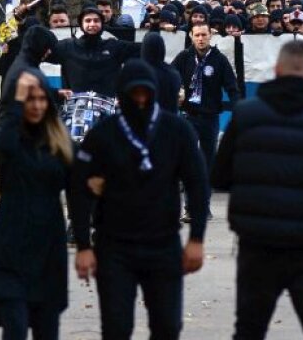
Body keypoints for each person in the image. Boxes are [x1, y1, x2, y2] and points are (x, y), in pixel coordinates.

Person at [211, 40, 303, 340]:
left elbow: (219, 176)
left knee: (249, 327)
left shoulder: (246, 114)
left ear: (277, 71)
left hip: (257, 239)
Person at [69, 60, 209, 340]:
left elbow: (197, 182)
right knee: (117, 327)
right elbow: (78, 189)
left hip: (163, 244)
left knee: (167, 326)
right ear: (122, 94)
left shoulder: (176, 130)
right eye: (134, 94)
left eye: (145, 93)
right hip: (114, 246)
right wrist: (83, 243)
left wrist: (197, 238)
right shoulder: (103, 133)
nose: (140, 101)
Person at [0, 69, 72, 339]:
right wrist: (16, 98)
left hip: (48, 242)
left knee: (47, 329)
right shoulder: (9, 137)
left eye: (41, 99)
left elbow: (79, 185)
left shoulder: (59, 142)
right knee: (14, 324)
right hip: (11, 242)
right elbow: (2, 144)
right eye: (30, 99)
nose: (37, 105)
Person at [172, 21, 239, 175]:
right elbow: (170, 75)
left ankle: (205, 187)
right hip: (188, 114)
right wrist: (177, 89)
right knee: (185, 150)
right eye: (197, 35)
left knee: (208, 155)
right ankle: (185, 179)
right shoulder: (184, 57)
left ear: (211, 35)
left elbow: (231, 87)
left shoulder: (220, 59)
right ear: (191, 36)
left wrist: (238, 109)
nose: (200, 38)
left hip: (210, 116)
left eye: (204, 35)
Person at [52, 5, 140, 98]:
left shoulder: (114, 46)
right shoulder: (67, 46)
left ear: (102, 24)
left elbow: (147, 48)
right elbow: (38, 51)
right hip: (74, 106)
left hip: (108, 107)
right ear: (81, 24)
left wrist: (155, 23)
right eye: (88, 20)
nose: (92, 24)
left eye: (96, 20)